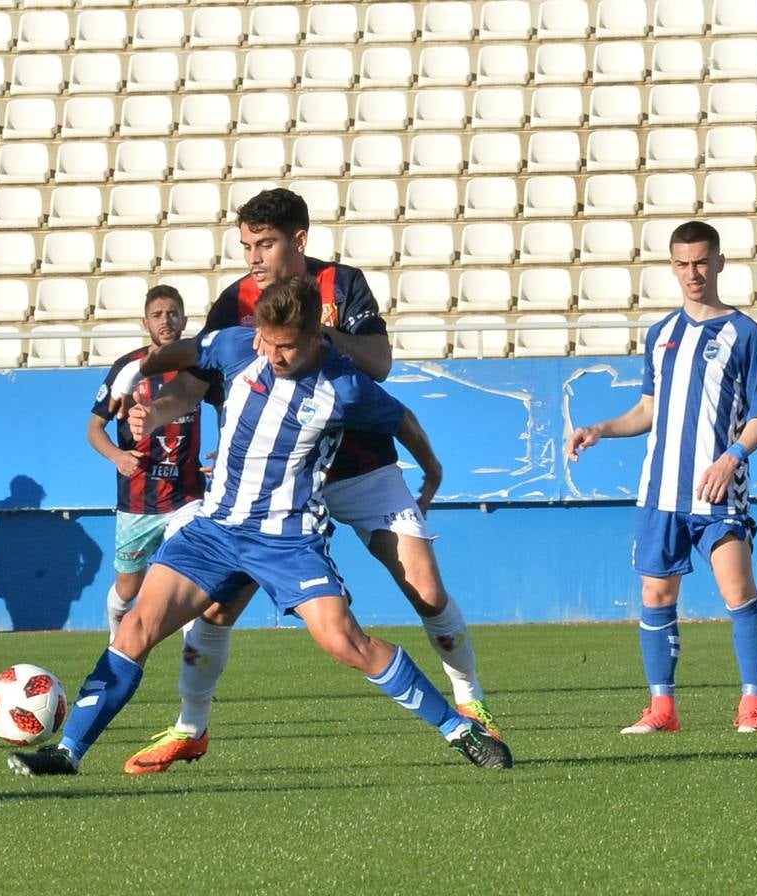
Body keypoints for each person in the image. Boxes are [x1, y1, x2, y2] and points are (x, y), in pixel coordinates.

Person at [8, 277, 513, 777]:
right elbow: (180, 351)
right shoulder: (236, 344)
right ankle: (68, 751)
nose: (273, 355)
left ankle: (459, 729)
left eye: (287, 346)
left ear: (317, 336)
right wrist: (130, 379)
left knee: (344, 641)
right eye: (267, 342)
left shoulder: (344, 386)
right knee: (136, 627)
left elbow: (401, 419)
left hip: (286, 539)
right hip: (215, 530)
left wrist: (433, 468)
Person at [103, 188, 500, 774]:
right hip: (272, 484)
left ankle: (472, 705)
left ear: (300, 241)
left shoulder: (342, 285)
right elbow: (194, 383)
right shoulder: (232, 303)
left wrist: (306, 328)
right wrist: (155, 413)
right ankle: (190, 729)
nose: (254, 258)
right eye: (246, 246)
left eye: (265, 244)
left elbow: (379, 363)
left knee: (426, 590)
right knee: (214, 611)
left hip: (360, 466)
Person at [566, 220, 757, 735]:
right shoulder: (661, 333)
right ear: (672, 266)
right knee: (656, 597)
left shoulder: (744, 334)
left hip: (716, 489)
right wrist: (600, 428)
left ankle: (752, 704)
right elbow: (648, 410)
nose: (693, 273)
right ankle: (663, 708)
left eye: (702, 261)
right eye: (683, 264)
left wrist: (730, 457)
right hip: (660, 492)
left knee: (738, 593)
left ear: (720, 263)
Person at [87, 285, 216, 640]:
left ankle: (194, 659)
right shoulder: (127, 369)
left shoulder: (200, 368)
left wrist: (224, 454)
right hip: (139, 499)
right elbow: (95, 428)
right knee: (127, 589)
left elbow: (229, 411)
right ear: (145, 322)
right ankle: (117, 641)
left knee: (191, 579)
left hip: (187, 495)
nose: (166, 321)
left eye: (173, 313)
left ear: (184, 319)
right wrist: (117, 456)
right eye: (158, 315)